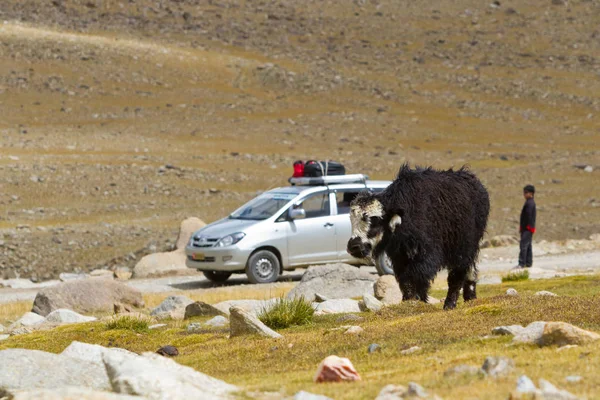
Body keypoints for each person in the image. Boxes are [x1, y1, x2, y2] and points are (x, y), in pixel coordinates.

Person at [517, 185, 536, 268]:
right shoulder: (529, 202)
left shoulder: (530, 203)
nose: (524, 194)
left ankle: (522, 263)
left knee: (523, 245)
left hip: (527, 228)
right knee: (528, 245)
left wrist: (527, 227)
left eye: (526, 192)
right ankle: (528, 263)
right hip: (528, 228)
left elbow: (529, 216)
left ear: (531, 193)